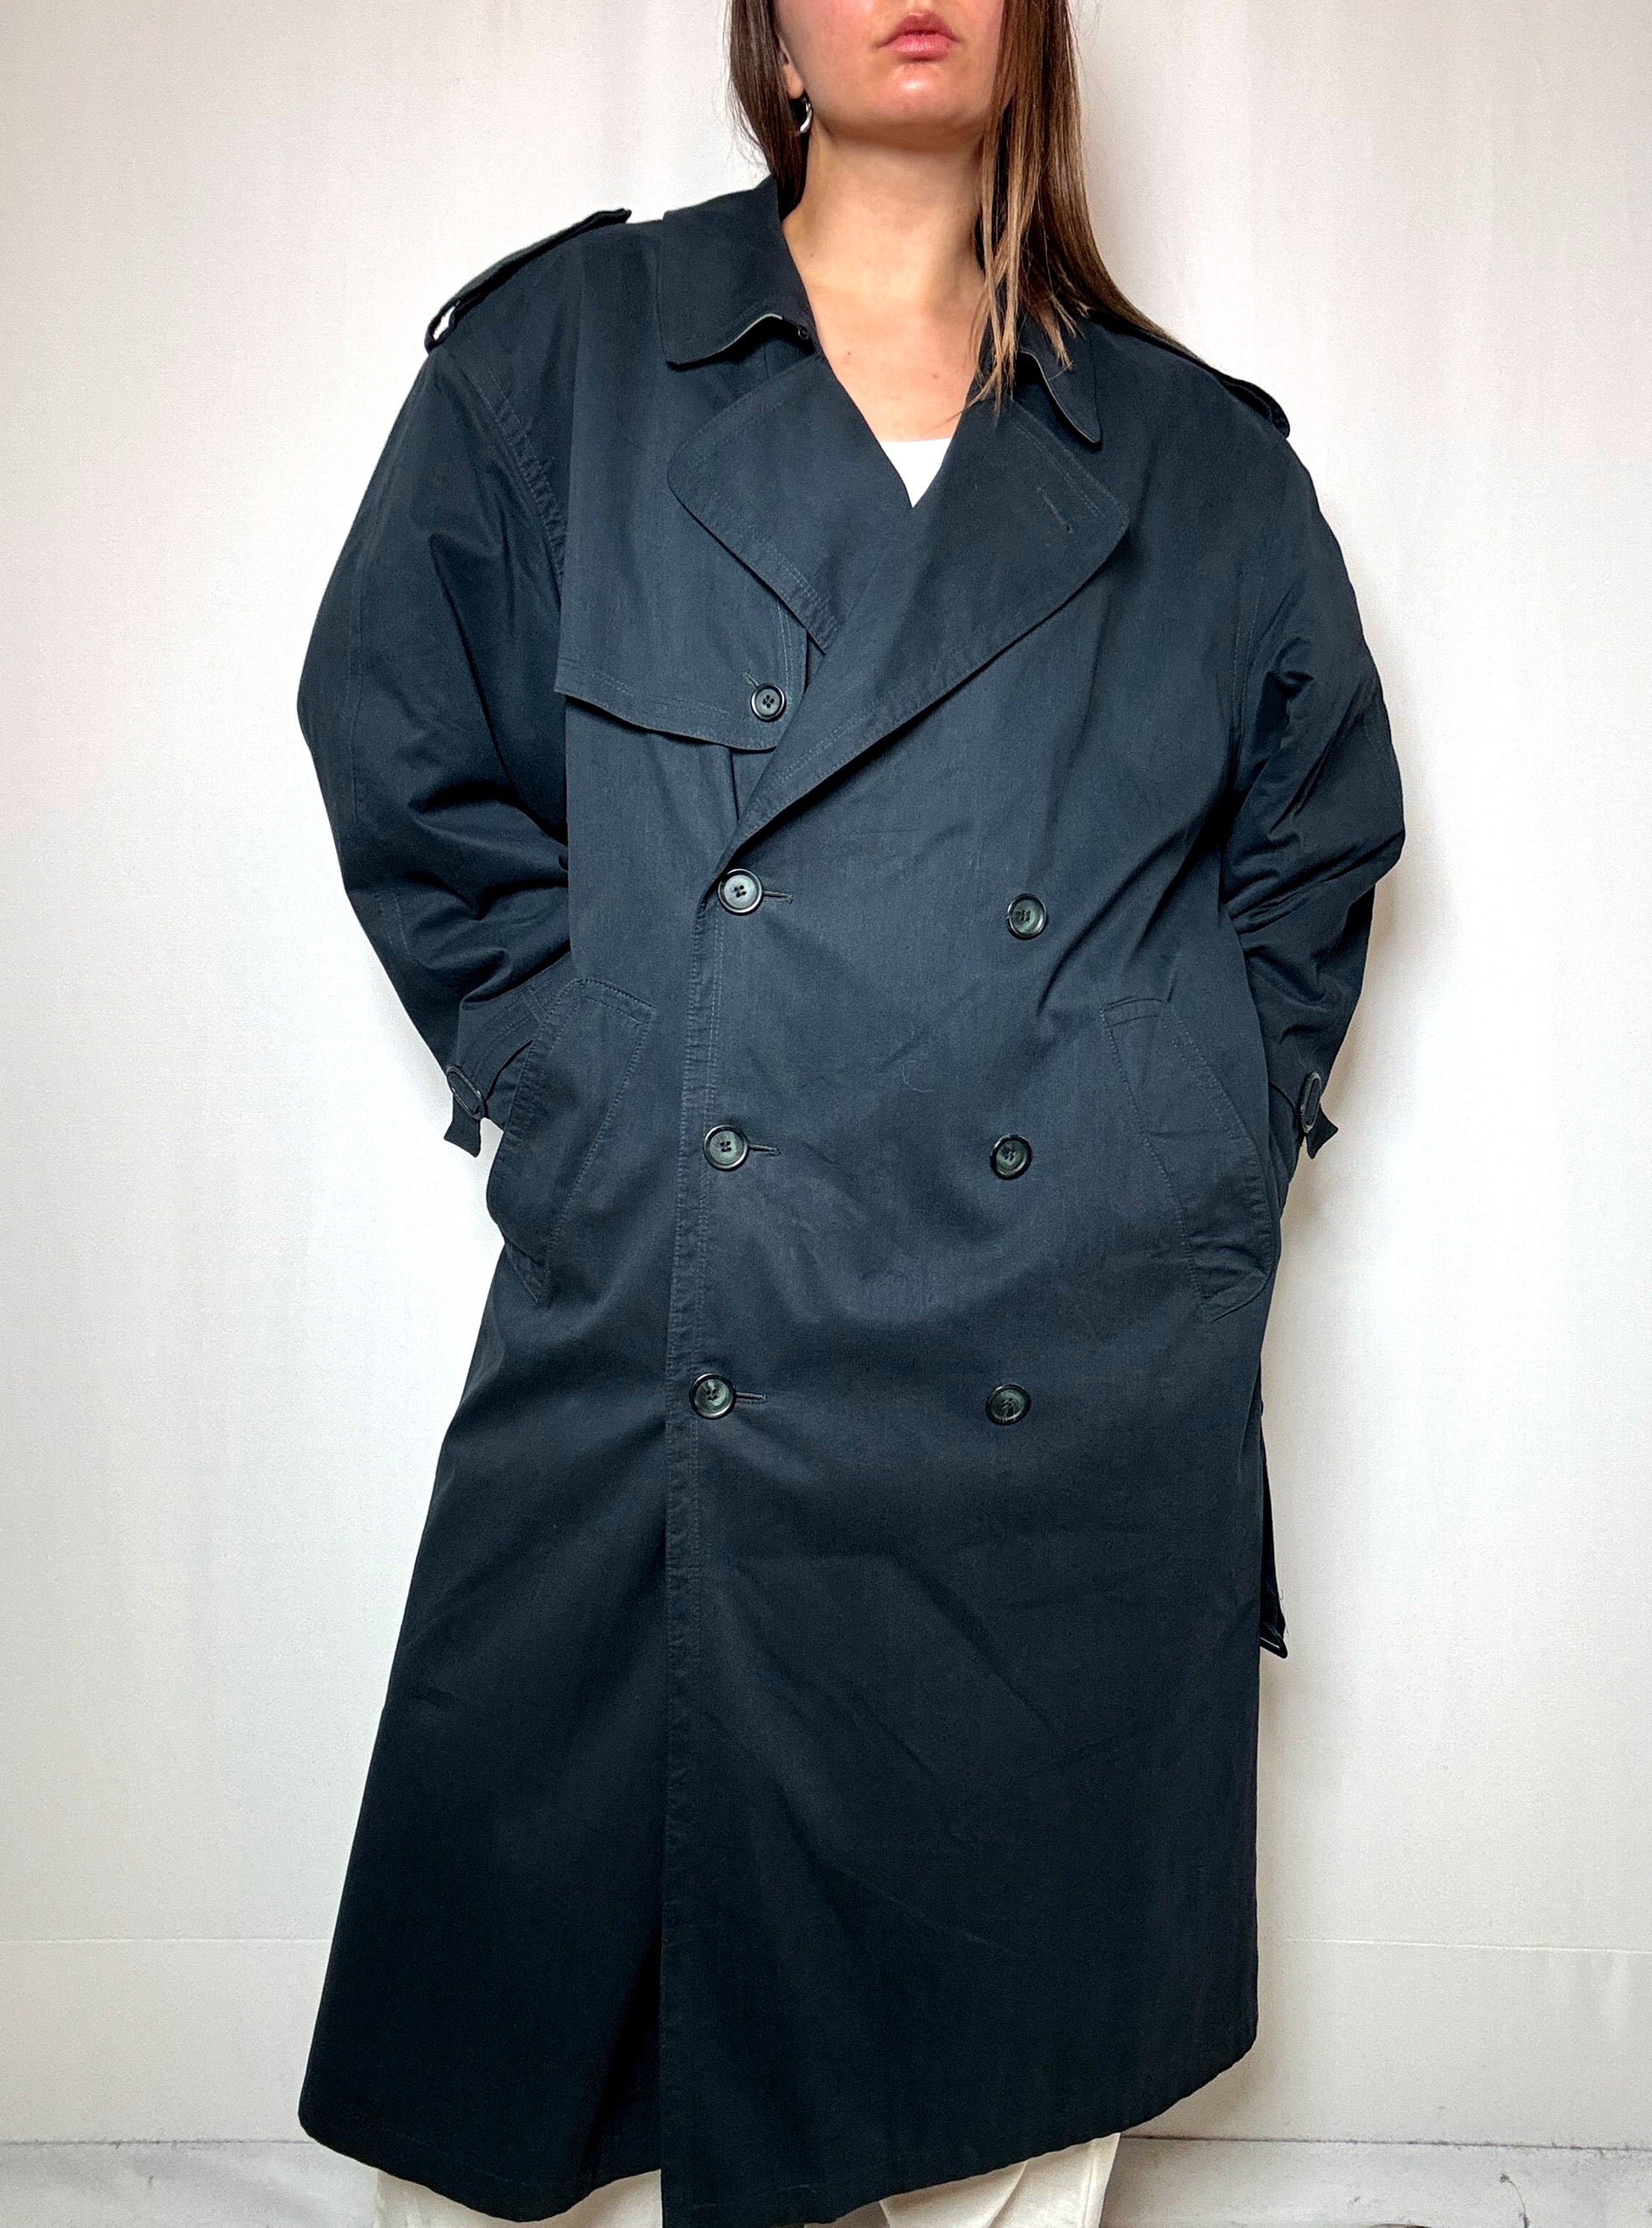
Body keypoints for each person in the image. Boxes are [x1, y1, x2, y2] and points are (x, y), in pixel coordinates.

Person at [292, 3, 1406, 2227]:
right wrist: (588, 1090)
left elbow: (1315, 849)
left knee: (995, 2100)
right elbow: (405, 748)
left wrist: (1186, 1149)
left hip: (1064, 1359)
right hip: (671, 1310)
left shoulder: (1201, 464)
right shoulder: (569, 365)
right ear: (770, 26)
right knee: (534, 2047)